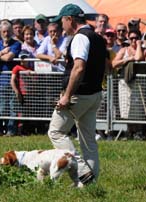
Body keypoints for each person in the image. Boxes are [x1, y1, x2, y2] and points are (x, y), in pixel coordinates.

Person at [48, 4, 108, 185]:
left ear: (70, 20)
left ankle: (81, 169)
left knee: (56, 132)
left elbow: (79, 67)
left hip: (78, 96)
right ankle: (90, 184)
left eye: (62, 22)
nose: (61, 26)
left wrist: (66, 96)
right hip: (94, 94)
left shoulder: (80, 38)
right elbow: (107, 66)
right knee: (88, 142)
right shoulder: (98, 38)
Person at [0, 21, 21, 135]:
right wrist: (1, 52)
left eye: (8, 31)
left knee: (12, 107)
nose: (6, 34)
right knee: (2, 109)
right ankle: (6, 128)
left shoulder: (16, 44)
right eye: (4, 31)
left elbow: (8, 58)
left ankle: (11, 130)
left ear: (11, 32)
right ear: (0, 32)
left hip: (12, 80)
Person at [112, 29, 146, 139]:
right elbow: (114, 63)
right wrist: (127, 59)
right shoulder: (123, 50)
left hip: (139, 84)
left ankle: (138, 133)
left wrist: (139, 45)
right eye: (131, 38)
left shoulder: (144, 50)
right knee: (126, 108)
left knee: (138, 109)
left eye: (136, 38)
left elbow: (138, 57)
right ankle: (129, 132)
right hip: (125, 83)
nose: (134, 40)